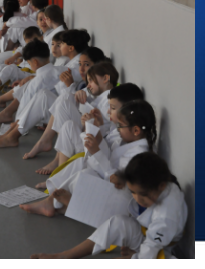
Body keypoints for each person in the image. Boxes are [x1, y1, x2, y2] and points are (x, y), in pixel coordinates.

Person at [29, 152, 188, 260]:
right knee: (117, 222)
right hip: (144, 231)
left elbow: (152, 248)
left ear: (161, 186)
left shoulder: (166, 216)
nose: (138, 198)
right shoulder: (158, 182)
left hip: (160, 250)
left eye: (143, 194)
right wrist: (123, 181)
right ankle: (63, 256)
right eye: (133, 191)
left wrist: (134, 257)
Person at [21, 99, 155, 219]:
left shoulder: (139, 154)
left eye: (120, 126)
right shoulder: (127, 140)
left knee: (85, 174)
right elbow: (110, 158)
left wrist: (97, 152)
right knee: (81, 163)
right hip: (109, 179)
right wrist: (98, 137)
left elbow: (116, 180)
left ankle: (57, 203)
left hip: (119, 199)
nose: (118, 129)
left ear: (136, 131)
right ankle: (56, 200)